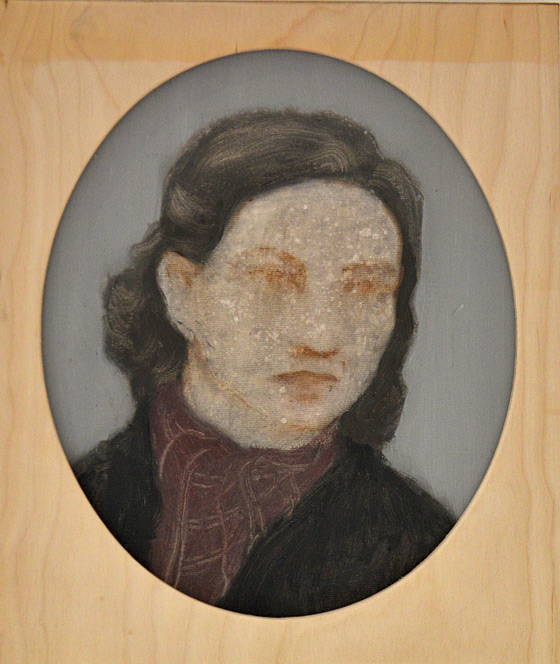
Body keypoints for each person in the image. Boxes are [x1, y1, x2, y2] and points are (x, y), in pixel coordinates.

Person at [75, 109, 454, 617]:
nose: (321, 337)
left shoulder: (419, 543)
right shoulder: (76, 500)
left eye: (366, 287)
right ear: (181, 290)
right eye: (273, 279)